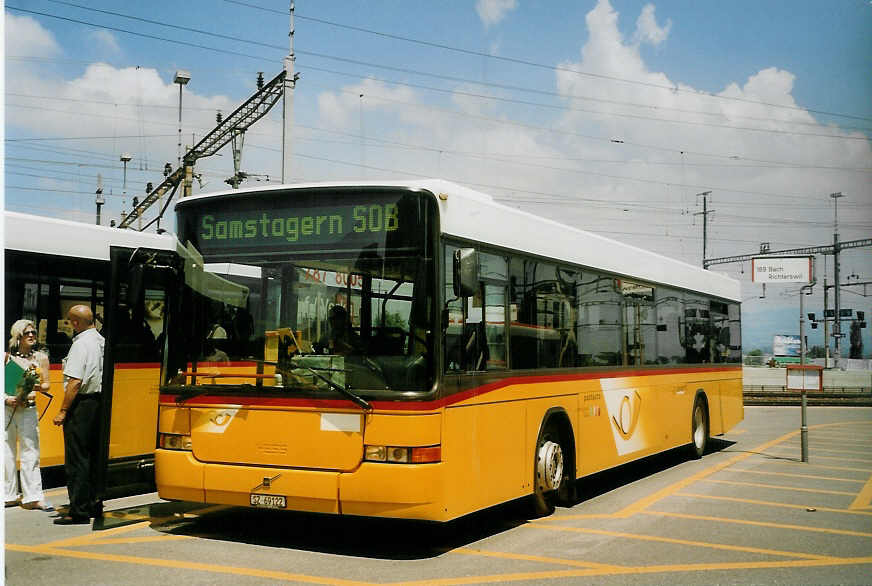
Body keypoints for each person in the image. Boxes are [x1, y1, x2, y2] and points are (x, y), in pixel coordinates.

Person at [52, 305, 104, 525]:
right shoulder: (101, 341)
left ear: (75, 323)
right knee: (93, 455)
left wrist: (63, 410)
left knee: (77, 458)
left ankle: (78, 510)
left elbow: (74, 382)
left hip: (81, 406)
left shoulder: (81, 344)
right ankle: (94, 504)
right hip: (98, 403)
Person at [4, 320, 53, 511]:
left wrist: (32, 385)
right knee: (6, 451)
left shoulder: (40, 358)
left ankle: (33, 497)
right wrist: (7, 400)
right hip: (8, 407)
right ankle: (7, 495)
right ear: (18, 336)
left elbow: (47, 384)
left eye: (33, 332)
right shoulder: (6, 357)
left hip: (29, 408)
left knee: (30, 451)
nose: (32, 335)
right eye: (27, 333)